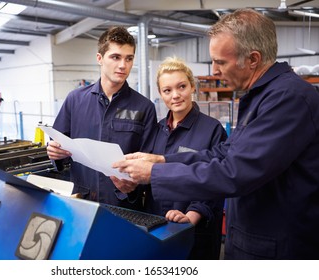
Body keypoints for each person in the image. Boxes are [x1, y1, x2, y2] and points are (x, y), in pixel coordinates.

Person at [112, 8, 319, 259]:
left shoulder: (288, 98)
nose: (215, 70)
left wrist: (155, 173)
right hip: (253, 241)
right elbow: (225, 153)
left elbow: (236, 172)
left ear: (253, 59)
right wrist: (162, 160)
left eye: (221, 62)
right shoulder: (259, 96)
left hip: (277, 250)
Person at [47, 26, 157, 210]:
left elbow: (149, 162)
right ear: (100, 58)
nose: (123, 65)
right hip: (81, 201)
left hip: (124, 206)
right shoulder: (75, 100)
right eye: (115, 57)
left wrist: (135, 186)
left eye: (129, 58)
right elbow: (57, 143)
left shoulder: (144, 108)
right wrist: (54, 152)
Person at [146, 56, 227, 259]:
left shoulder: (212, 129)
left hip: (195, 233)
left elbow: (218, 180)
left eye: (181, 87)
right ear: (161, 94)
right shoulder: (156, 130)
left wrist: (192, 215)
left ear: (192, 86)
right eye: (167, 90)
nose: (175, 95)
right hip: (157, 229)